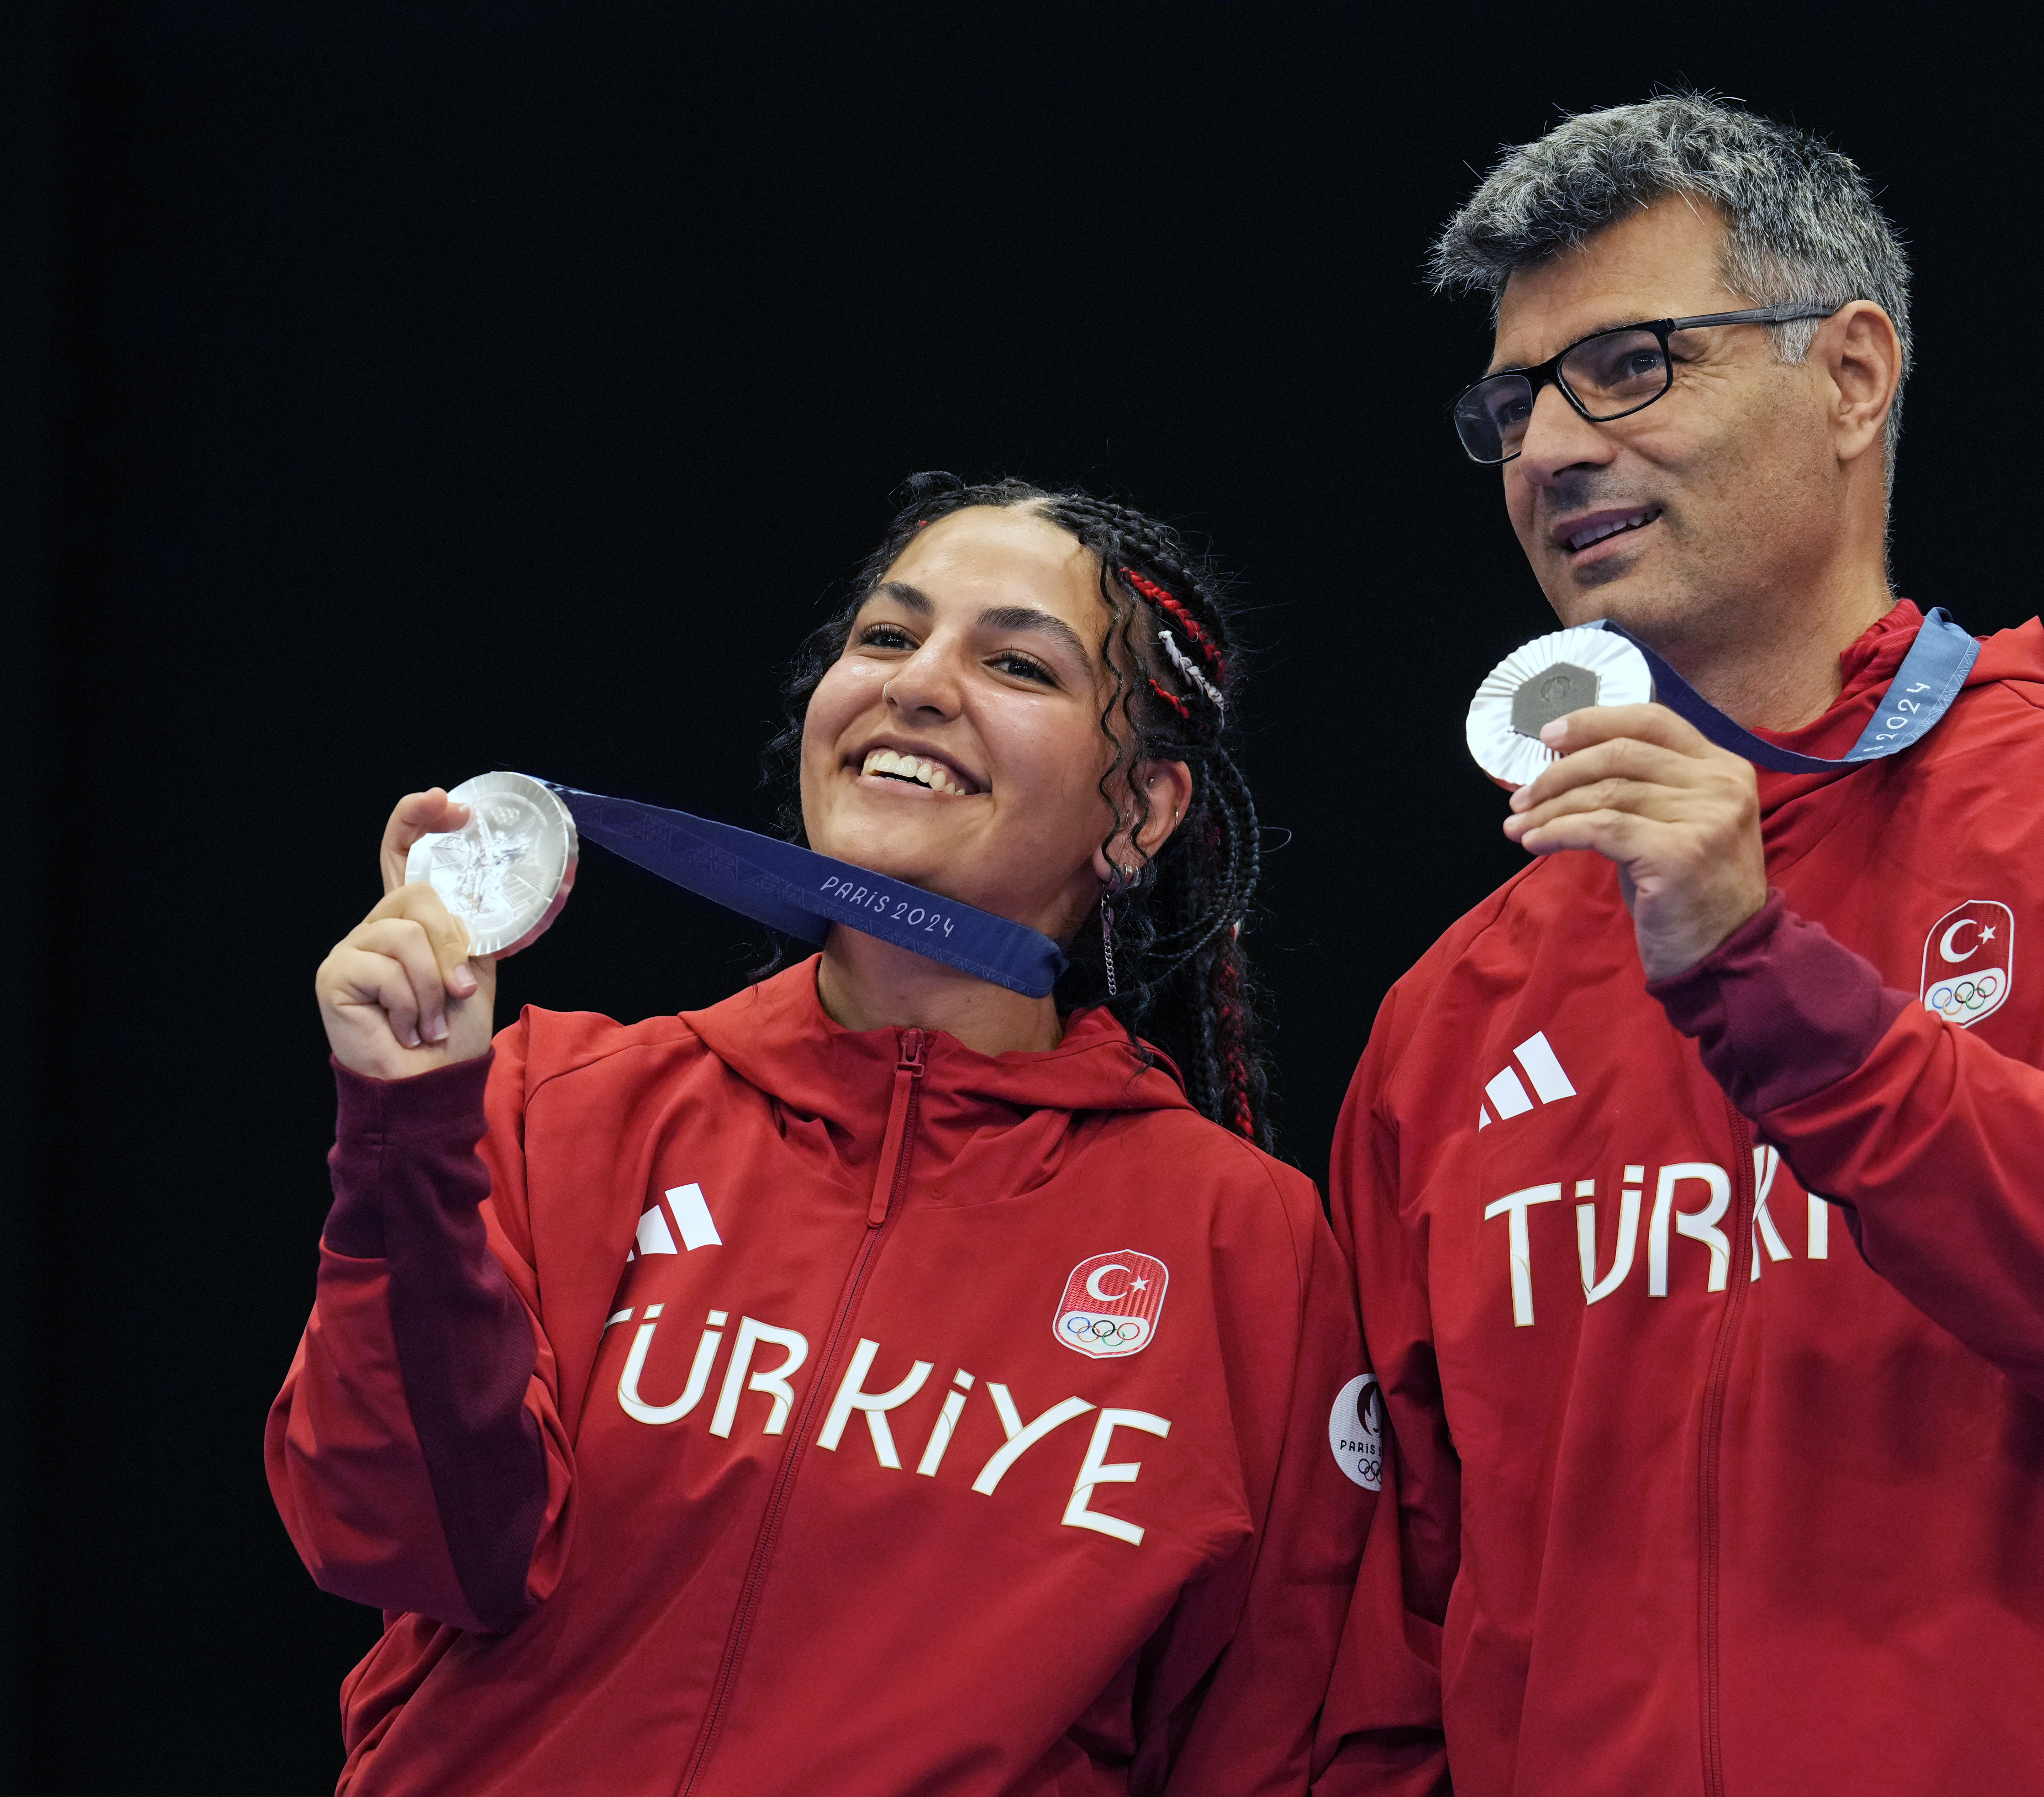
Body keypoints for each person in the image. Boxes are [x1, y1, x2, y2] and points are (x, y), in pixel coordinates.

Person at [1313, 97, 2044, 1795]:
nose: (1551, 451)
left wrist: (1768, 981)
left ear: (1853, 375)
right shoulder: (1452, 1008)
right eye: (1515, 403)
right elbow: (1392, 1637)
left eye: (1634, 364)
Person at [268, 474, 1375, 1795]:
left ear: (1137, 815)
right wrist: (407, 1134)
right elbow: (403, 1543)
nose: (917, 684)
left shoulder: (1243, 1243)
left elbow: (1268, 1746)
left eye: (1016, 660)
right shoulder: (555, 1099)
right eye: (888, 636)